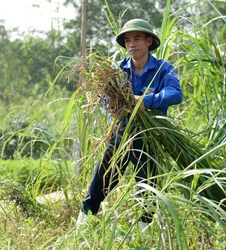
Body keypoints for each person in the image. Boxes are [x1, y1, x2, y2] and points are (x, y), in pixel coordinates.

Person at [77, 18, 183, 230]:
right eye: (127, 40)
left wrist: (146, 101)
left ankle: (144, 233)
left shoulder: (163, 68)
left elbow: (175, 94)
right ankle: (81, 227)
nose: (132, 44)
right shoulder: (118, 71)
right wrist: (112, 109)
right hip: (122, 133)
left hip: (150, 134)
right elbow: (106, 98)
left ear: (149, 41)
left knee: (146, 185)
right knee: (103, 178)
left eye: (137, 39)